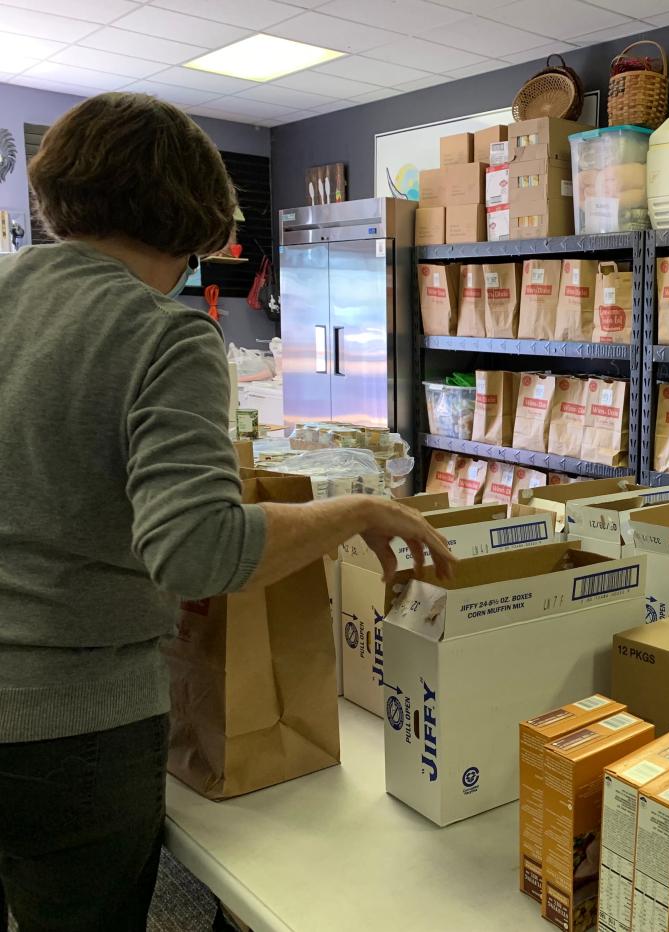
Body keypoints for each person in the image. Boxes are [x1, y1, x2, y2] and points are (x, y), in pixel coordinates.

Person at [0, 93, 455, 930]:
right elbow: (198, 550)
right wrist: (352, 511)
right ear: (193, 223)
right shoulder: (160, 336)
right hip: (72, 730)